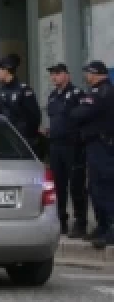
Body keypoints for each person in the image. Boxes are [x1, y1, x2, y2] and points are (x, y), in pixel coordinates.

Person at [72, 61, 113, 250]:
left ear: (96, 74)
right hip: (94, 144)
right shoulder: (97, 91)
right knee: (95, 187)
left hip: (101, 144)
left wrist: (79, 109)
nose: (86, 77)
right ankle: (103, 225)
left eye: (88, 73)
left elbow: (81, 114)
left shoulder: (102, 91)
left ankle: (110, 227)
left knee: (104, 185)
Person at [44, 64, 88, 239]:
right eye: (52, 74)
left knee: (76, 185)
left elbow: (82, 118)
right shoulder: (53, 96)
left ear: (67, 75)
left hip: (72, 145)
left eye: (57, 74)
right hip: (55, 146)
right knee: (58, 186)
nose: (54, 77)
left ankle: (80, 222)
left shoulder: (77, 94)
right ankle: (61, 220)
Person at [0, 54, 42, 151]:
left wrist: (27, 136)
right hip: (8, 140)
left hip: (24, 141)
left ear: (6, 70)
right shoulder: (1, 91)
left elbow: (35, 117)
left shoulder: (23, 90)